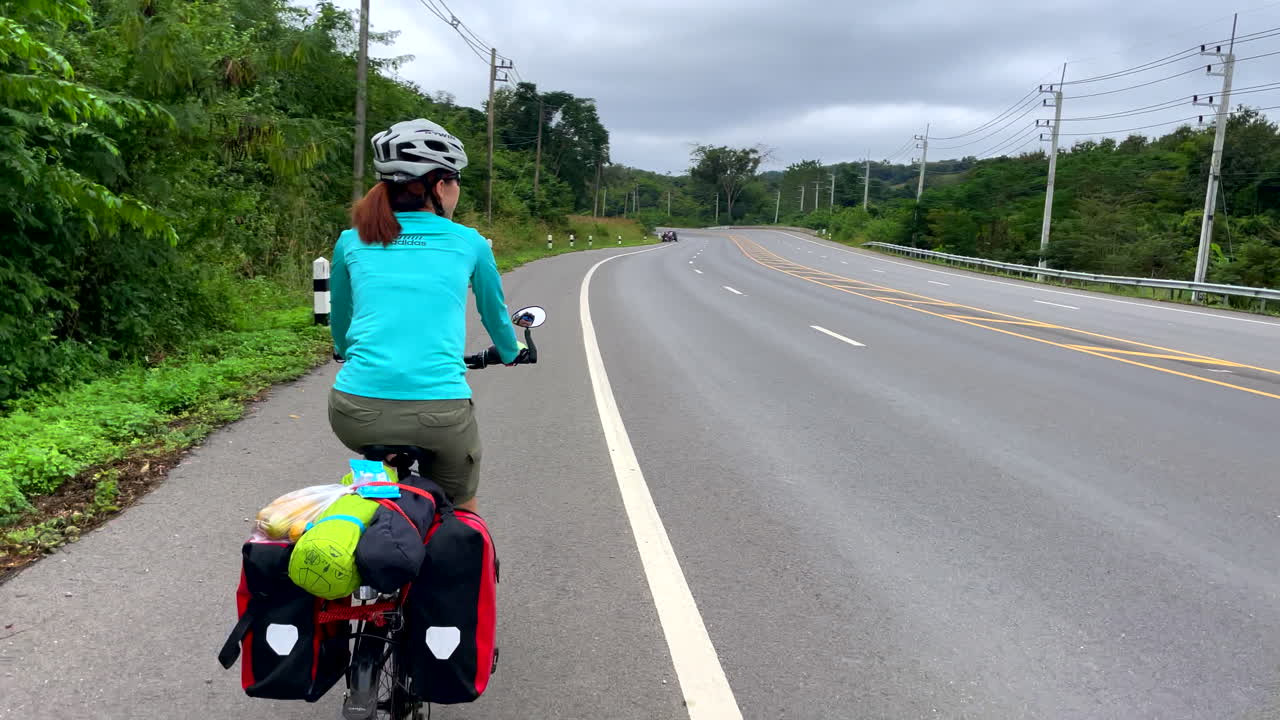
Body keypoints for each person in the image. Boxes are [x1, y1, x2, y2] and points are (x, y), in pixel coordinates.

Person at [327, 118, 525, 513]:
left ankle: (368, 515)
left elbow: (342, 317)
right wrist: (510, 350)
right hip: (440, 414)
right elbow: (494, 314)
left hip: (354, 412)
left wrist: (345, 348)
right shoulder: (469, 242)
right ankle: (463, 565)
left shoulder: (352, 240)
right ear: (439, 186)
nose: (457, 190)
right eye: (456, 180)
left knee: (370, 499)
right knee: (461, 505)